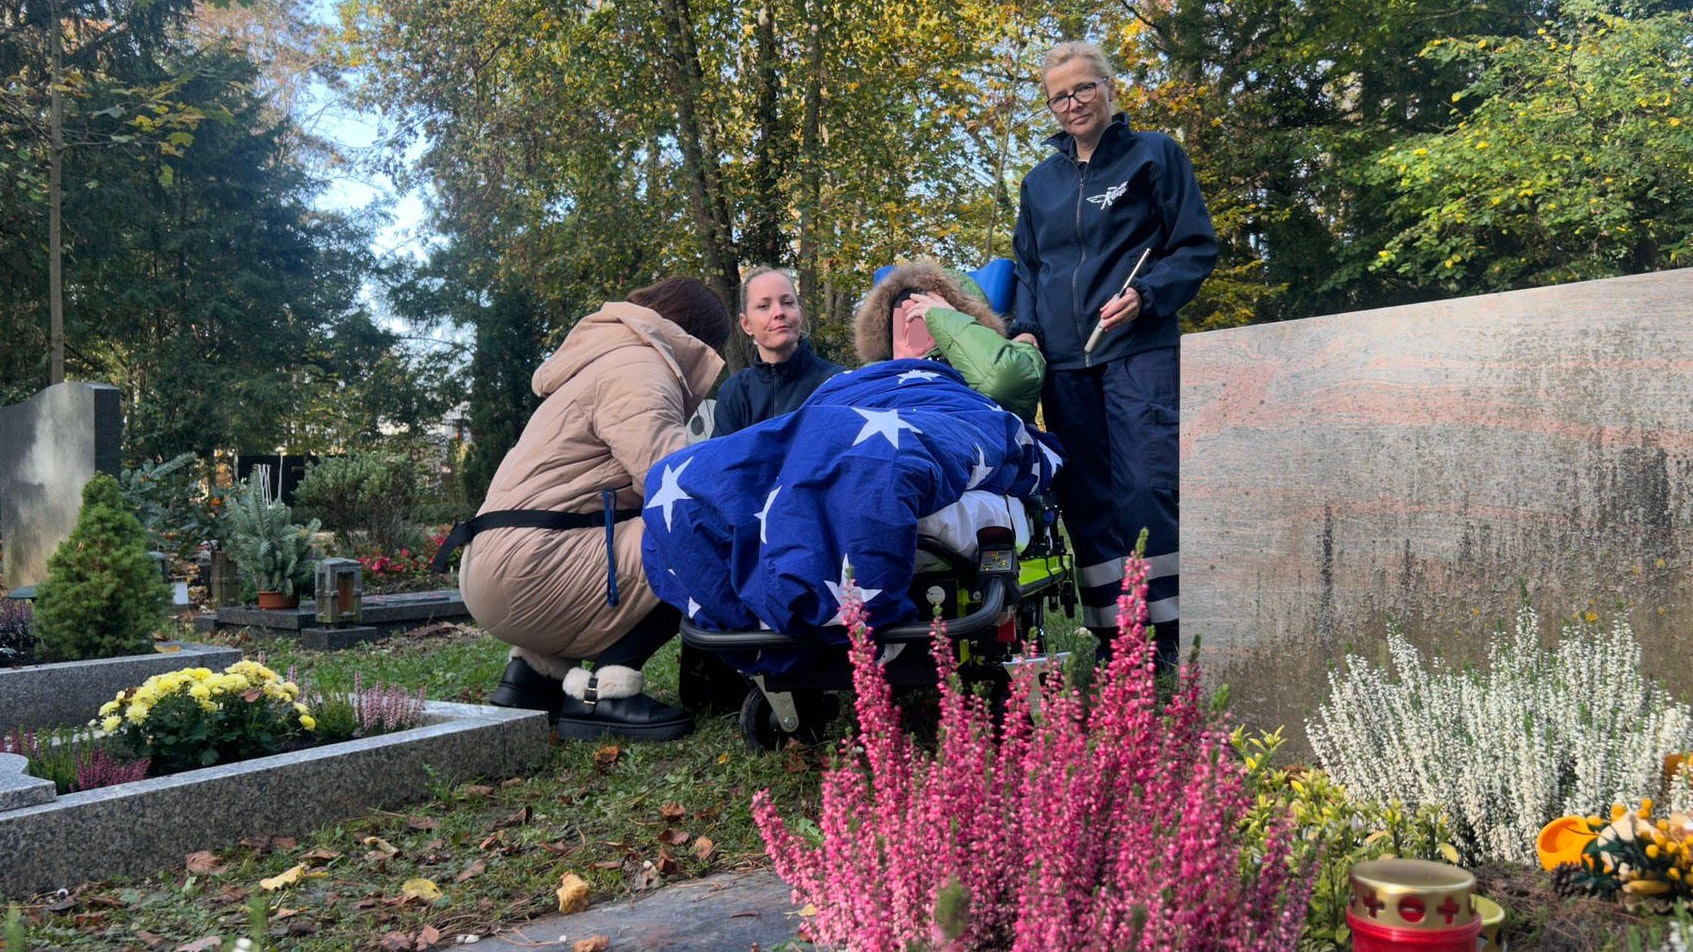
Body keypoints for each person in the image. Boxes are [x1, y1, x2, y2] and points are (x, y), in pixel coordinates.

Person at [445, 277, 730, 743]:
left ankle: (532, 678)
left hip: (499, 563)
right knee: (700, 536)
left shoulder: (606, 359)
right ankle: (606, 690)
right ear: (699, 339)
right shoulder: (640, 367)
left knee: (639, 526)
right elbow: (670, 481)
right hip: (530, 567)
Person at [1009, 41, 1218, 674]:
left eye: (1083, 89)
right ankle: (1116, 642)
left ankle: (1174, 637)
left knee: (1145, 488)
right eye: (1059, 96)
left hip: (1140, 348)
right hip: (1065, 366)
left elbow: (1194, 247)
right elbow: (1027, 266)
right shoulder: (1038, 183)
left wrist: (1148, 296)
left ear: (1109, 88)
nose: (1073, 104)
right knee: (1088, 500)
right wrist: (1023, 330)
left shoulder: (1154, 156)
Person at [853, 261, 1044, 421]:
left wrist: (947, 319)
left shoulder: (997, 362)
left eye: (922, 319)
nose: (911, 332)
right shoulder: (866, 376)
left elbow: (1006, 381)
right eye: (902, 322)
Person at [713, 266, 845, 436]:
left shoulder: (836, 382)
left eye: (788, 303)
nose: (779, 312)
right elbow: (721, 459)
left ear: (800, 314)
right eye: (764, 306)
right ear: (746, 324)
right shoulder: (734, 393)